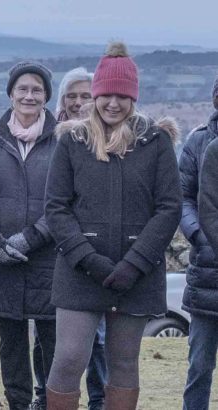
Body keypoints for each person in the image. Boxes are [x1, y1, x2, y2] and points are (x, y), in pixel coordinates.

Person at [45, 42, 181, 409]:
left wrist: (134, 263)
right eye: (106, 95)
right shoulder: (72, 142)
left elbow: (169, 208)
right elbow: (56, 208)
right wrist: (90, 260)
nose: (113, 103)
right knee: (69, 359)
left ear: (133, 98)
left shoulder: (156, 143)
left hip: (137, 275)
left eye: (122, 96)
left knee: (123, 364)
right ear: (95, 95)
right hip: (79, 271)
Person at [0, 61, 58, 410]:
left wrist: (30, 238)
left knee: (52, 341)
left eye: (37, 89)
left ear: (46, 96)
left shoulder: (62, 139)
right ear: (10, 94)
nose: (29, 96)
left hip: (49, 259)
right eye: (22, 89)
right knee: (11, 344)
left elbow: (66, 200)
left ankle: (49, 402)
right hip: (1, 260)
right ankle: (18, 404)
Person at [32, 67, 105, 410]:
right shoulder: (49, 138)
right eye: (71, 96)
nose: (78, 102)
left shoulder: (109, 138)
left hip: (97, 252)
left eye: (85, 95)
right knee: (49, 335)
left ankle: (99, 400)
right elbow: (50, 199)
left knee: (99, 338)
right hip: (49, 251)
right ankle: (44, 397)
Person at [181, 74, 218, 410]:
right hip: (207, 271)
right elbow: (182, 198)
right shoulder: (198, 141)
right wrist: (199, 234)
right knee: (200, 366)